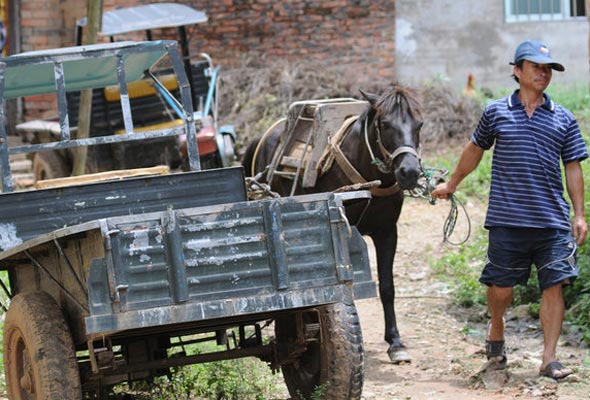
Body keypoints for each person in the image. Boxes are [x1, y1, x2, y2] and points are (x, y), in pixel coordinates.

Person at [431, 40, 588, 380]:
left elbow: (573, 167)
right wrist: (453, 183)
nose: (543, 74)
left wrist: (579, 214)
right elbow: (475, 149)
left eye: (548, 69)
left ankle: (549, 359)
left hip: (552, 220)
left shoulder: (563, 118)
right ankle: (497, 326)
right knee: (501, 287)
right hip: (507, 218)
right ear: (517, 71)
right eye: (536, 67)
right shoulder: (496, 111)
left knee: (554, 284)